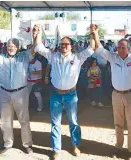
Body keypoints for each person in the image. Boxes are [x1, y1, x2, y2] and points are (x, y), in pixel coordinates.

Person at [33, 24, 95, 160]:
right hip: (55, 94)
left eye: (66, 44)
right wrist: (37, 33)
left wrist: (93, 33)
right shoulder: (53, 56)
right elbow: (38, 47)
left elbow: (91, 48)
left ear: (71, 46)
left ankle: (76, 145)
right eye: (62, 44)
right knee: (56, 123)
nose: (63, 46)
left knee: (73, 121)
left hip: (71, 95)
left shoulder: (78, 58)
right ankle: (56, 149)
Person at [92, 25, 131, 160]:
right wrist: (95, 33)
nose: (120, 49)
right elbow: (99, 49)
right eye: (118, 47)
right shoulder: (113, 57)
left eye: (123, 47)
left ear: (128, 48)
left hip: (130, 95)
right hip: (116, 94)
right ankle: (118, 147)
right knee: (118, 123)